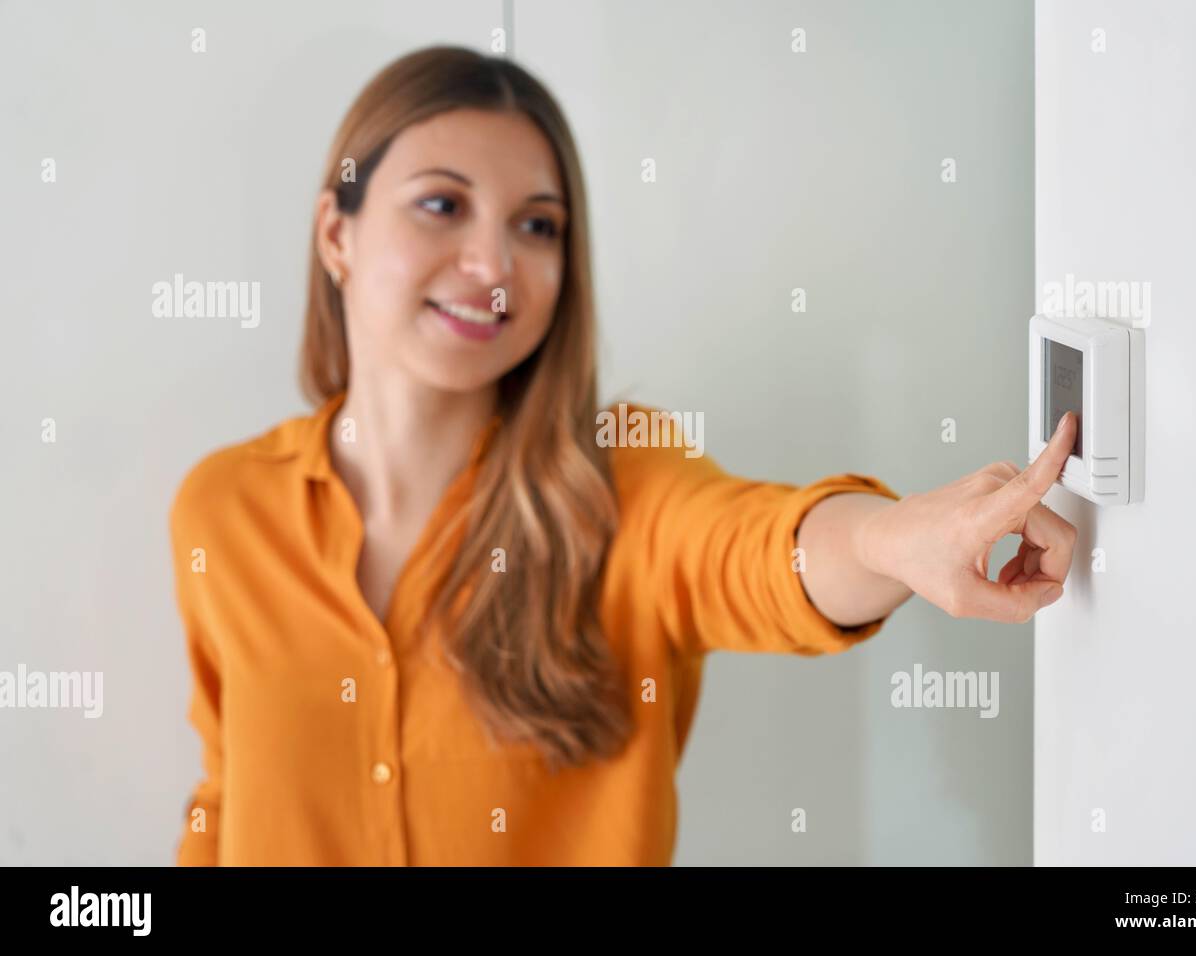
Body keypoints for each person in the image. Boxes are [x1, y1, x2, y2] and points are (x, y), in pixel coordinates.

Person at [169, 45, 1078, 866]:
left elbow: (749, 549)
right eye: (442, 206)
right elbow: (224, 800)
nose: (493, 265)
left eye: (538, 225)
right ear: (337, 233)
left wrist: (891, 540)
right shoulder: (223, 511)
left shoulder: (615, 481)